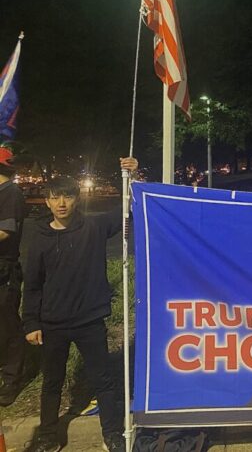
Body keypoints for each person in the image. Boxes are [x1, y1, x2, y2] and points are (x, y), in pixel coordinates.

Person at [22, 157, 138, 452]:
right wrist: (31, 322)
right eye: (56, 197)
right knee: (52, 382)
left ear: (77, 199)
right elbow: (33, 284)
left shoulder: (94, 227)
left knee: (103, 379)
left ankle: (111, 433)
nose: (62, 203)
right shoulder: (39, 237)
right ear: (47, 201)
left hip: (89, 321)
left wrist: (133, 176)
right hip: (52, 323)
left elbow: (128, 209)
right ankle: (48, 435)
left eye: (69, 196)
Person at [0, 147, 27, 407]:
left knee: (7, 326)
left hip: (4, 270)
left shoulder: (10, 194)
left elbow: (5, 232)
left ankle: (11, 379)